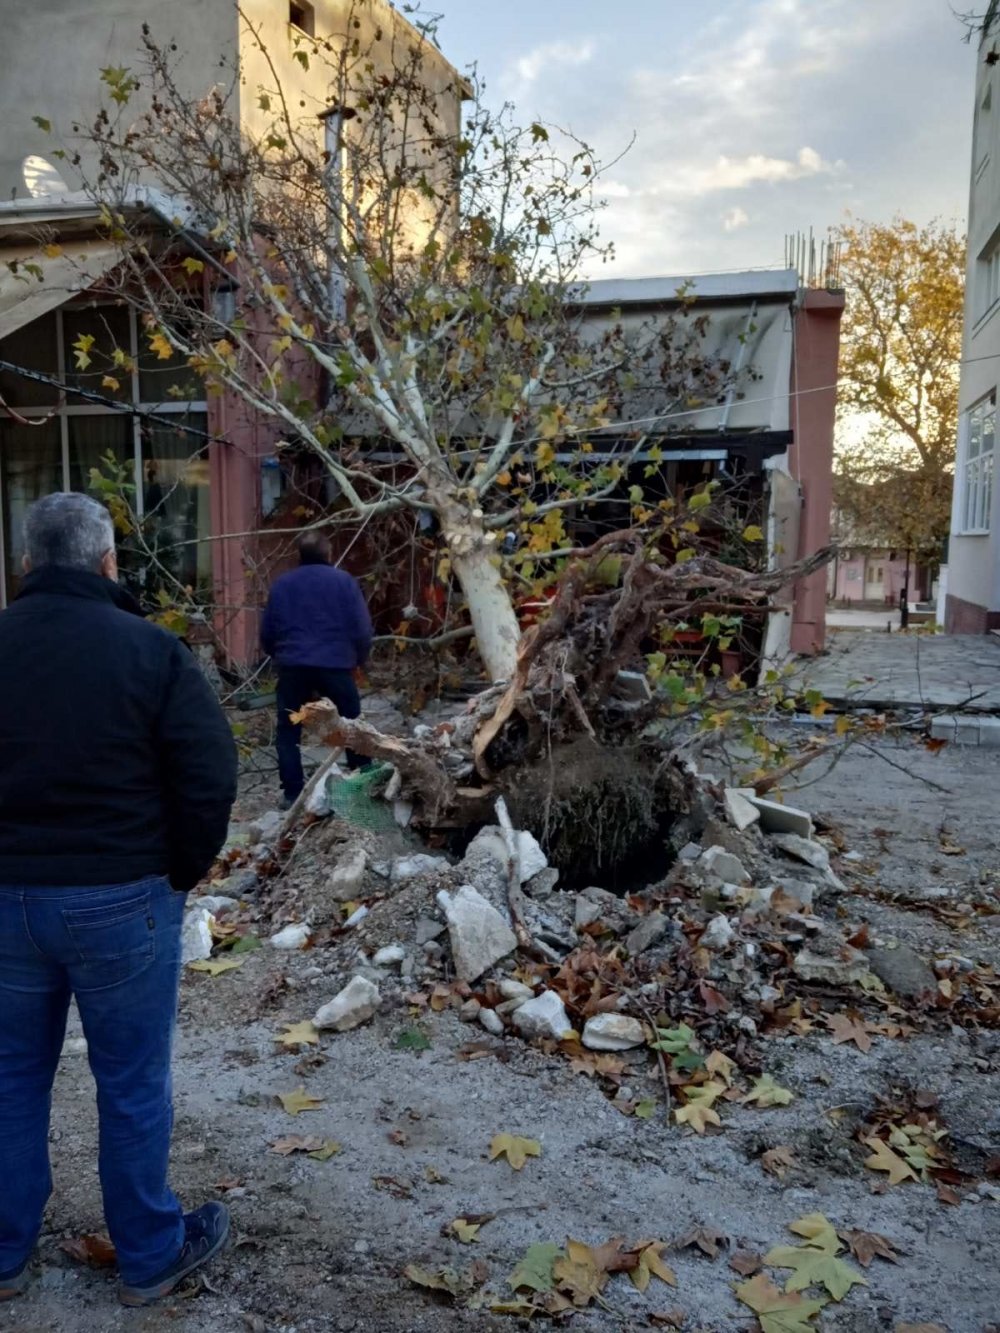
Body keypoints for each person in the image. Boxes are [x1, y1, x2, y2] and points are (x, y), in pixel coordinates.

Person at [0, 492, 238, 1307]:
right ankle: (148, 1253)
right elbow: (209, 771)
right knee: (132, 1082)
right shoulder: (151, 651)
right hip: (120, 898)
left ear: (25, 566)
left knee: (8, 1077)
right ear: (109, 563)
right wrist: (180, 867)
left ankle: (4, 1254)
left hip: (4, 905)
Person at [261, 531, 373, 805]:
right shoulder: (344, 582)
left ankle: (293, 793)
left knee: (289, 729)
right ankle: (363, 783)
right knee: (351, 725)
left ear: (299, 555)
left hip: (293, 667)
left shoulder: (282, 585)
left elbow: (267, 632)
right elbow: (361, 628)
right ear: (329, 554)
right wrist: (360, 660)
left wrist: (280, 656)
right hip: (335, 667)